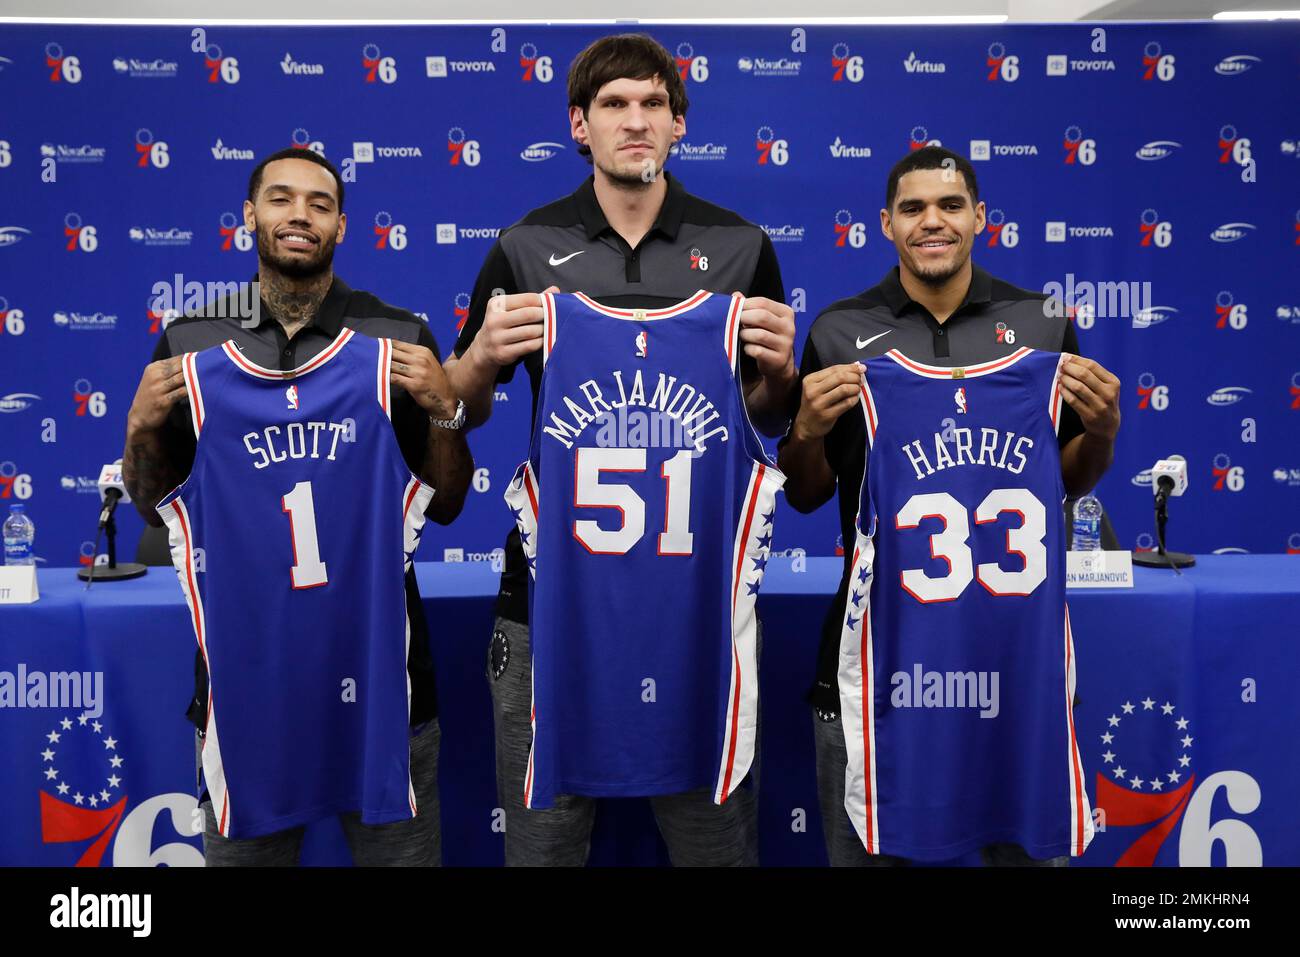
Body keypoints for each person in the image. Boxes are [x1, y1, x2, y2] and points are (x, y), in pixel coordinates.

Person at [443, 33, 797, 866]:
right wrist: (480, 358)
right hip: (549, 605)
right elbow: (458, 406)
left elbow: (764, 421)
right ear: (580, 125)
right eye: (614, 105)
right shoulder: (524, 247)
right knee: (544, 848)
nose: (635, 121)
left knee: (717, 846)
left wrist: (780, 374)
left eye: (652, 105)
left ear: (678, 124)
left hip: (697, 606)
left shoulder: (740, 246)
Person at [121, 147, 473, 865]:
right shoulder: (192, 344)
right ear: (249, 215)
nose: (299, 216)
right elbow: (156, 506)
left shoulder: (395, 340)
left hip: (383, 684)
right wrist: (138, 429)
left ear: (342, 225)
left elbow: (447, 505)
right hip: (246, 686)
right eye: (280, 199)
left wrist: (445, 412)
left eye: (318, 204)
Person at [778, 145, 1121, 866]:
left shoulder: (1042, 326)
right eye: (912, 208)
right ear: (885, 224)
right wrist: (805, 430)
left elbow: (1066, 482)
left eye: (950, 205)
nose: (932, 221)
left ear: (980, 218)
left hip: (1013, 658)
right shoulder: (842, 332)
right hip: (879, 657)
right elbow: (808, 494)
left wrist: (1102, 433)